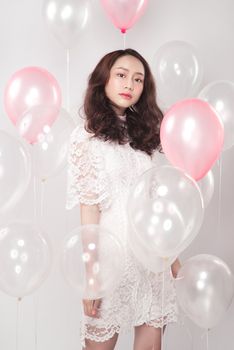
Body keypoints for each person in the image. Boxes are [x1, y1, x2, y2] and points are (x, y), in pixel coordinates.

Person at [66, 48, 180, 350]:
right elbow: (89, 210)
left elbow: (153, 204)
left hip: (151, 258)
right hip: (111, 258)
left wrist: (172, 255)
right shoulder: (86, 138)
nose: (130, 84)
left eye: (138, 79)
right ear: (103, 80)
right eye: (121, 75)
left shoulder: (142, 139)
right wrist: (92, 278)